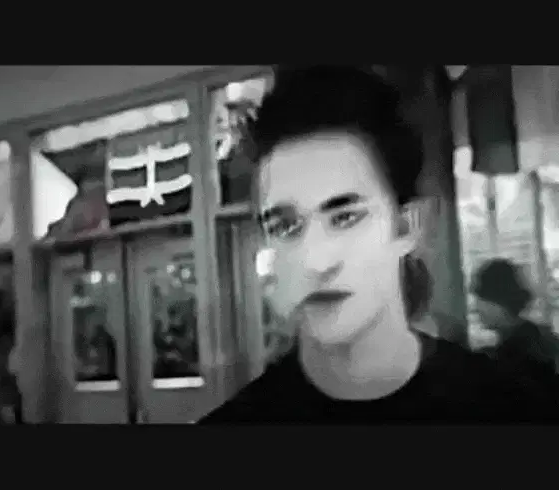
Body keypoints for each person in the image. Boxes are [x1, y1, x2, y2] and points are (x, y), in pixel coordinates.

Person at [199, 65, 559, 423]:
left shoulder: (514, 410)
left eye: (345, 217)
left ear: (407, 226)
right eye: (285, 225)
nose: (315, 260)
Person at [471, 258, 559, 386]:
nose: (476, 308)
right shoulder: (541, 339)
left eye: (481, 298)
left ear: (499, 301)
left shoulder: (518, 354)